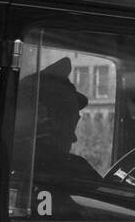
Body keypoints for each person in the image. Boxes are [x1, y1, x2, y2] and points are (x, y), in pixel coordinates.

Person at [15, 57, 103, 189]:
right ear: (50, 120)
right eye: (70, 126)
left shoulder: (9, 156)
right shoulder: (72, 169)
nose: (74, 138)